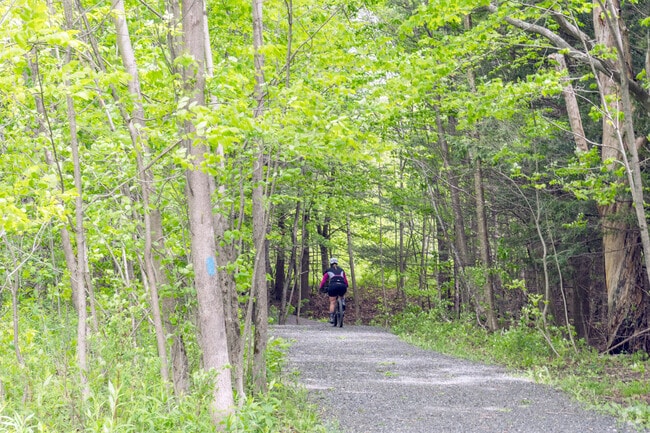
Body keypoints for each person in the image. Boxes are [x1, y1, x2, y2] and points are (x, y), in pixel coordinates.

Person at [319, 257, 349, 325]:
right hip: (342, 285)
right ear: (337, 263)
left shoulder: (328, 271)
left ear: (330, 263)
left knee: (332, 302)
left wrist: (321, 287)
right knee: (342, 294)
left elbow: (323, 281)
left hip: (333, 286)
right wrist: (346, 286)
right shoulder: (342, 270)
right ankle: (343, 302)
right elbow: (345, 280)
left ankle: (332, 317)